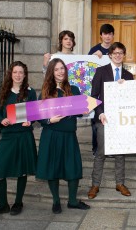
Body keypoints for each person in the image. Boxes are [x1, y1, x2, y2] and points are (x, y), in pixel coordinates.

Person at [0, 61, 37, 216]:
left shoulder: (30, 92)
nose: (18, 75)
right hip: (8, 136)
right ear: (11, 74)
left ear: (25, 75)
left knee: (22, 171)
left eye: (21, 72)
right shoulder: (3, 92)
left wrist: (30, 120)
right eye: (15, 72)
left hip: (24, 136)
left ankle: (18, 203)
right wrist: (1, 120)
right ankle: (2, 204)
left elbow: (34, 113)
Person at [36, 58, 90, 214]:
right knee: (53, 168)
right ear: (51, 72)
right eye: (56, 69)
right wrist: (48, 120)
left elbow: (79, 112)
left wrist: (84, 110)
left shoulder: (74, 89)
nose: (60, 72)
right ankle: (56, 201)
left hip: (68, 135)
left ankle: (73, 201)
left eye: (62, 69)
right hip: (51, 135)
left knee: (73, 168)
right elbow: (39, 115)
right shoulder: (45, 92)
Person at [87, 42, 134, 199]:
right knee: (101, 152)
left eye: (121, 53)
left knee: (120, 153)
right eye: (115, 53)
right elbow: (93, 96)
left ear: (124, 55)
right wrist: (100, 113)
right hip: (104, 119)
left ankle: (120, 183)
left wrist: (126, 88)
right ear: (110, 55)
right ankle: (95, 185)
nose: (118, 55)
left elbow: (132, 99)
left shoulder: (128, 76)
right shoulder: (101, 71)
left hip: (121, 120)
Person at [88, 23, 115, 156]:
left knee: (112, 121)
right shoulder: (94, 49)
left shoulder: (115, 50)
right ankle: (96, 149)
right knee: (96, 122)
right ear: (101, 35)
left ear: (113, 35)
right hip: (98, 90)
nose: (107, 36)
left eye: (110, 34)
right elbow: (87, 66)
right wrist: (93, 56)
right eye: (105, 34)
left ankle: (111, 148)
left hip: (113, 92)